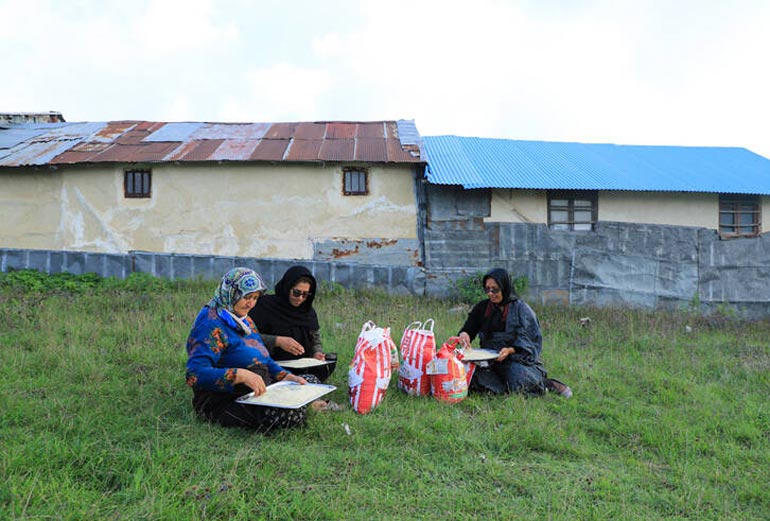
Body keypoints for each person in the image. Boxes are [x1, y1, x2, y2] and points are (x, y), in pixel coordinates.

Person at [185, 267, 337, 432]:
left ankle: (305, 404)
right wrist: (240, 375)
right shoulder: (210, 324)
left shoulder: (244, 320)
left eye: (255, 298)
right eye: (247, 297)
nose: (251, 304)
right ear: (231, 293)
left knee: (308, 382)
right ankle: (307, 407)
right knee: (289, 415)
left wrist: (285, 375)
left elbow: (263, 358)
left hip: (261, 388)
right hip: (225, 398)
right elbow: (194, 375)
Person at [453, 268, 572, 398]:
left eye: (495, 290)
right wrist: (464, 335)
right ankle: (503, 387)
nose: (490, 293)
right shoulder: (483, 307)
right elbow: (469, 327)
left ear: (505, 287)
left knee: (519, 376)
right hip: (489, 360)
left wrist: (510, 350)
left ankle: (548, 384)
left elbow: (530, 340)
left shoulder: (521, 309)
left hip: (515, 360)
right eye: (487, 289)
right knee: (466, 374)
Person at [248, 265, 336, 382]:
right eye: (296, 293)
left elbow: (315, 339)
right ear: (287, 287)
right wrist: (277, 341)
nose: (300, 298)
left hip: (302, 367)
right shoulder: (264, 306)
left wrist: (317, 353)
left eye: (305, 295)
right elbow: (247, 338)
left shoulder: (308, 312)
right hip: (270, 365)